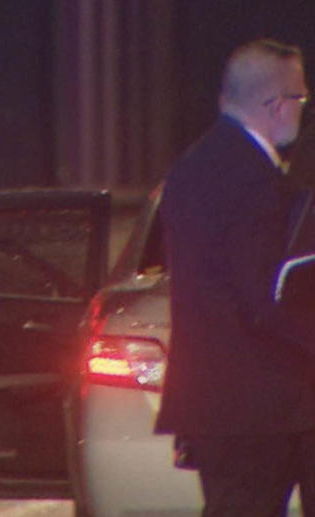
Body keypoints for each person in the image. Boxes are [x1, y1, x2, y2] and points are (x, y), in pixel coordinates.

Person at [155, 38, 315, 516]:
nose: (303, 111)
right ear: (277, 104)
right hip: (267, 408)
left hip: (217, 406)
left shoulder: (192, 166)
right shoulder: (254, 181)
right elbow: (266, 299)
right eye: (302, 99)